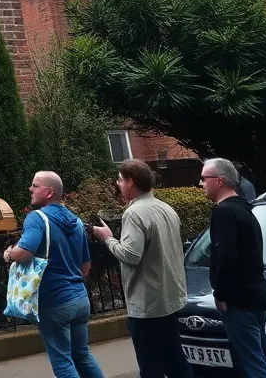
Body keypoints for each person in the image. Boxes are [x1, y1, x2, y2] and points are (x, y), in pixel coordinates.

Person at [90, 158, 193, 378]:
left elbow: (131, 255)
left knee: (150, 365)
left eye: (119, 180)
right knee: (175, 360)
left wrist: (108, 238)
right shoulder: (165, 208)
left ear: (131, 181)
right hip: (171, 298)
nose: (117, 184)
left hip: (147, 304)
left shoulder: (134, 213)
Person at [3, 171, 106, 378]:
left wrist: (9, 254)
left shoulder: (37, 218)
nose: (30, 189)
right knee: (82, 355)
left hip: (54, 301)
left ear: (49, 192)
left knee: (62, 361)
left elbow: (24, 252)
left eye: (35, 185)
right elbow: (85, 266)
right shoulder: (76, 221)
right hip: (79, 299)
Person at [200, 157, 266, 378]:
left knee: (255, 366)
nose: (201, 182)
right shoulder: (245, 210)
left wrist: (221, 294)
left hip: (239, 302)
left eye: (204, 178)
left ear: (219, 181)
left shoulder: (224, 212)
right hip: (256, 297)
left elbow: (225, 258)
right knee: (260, 359)